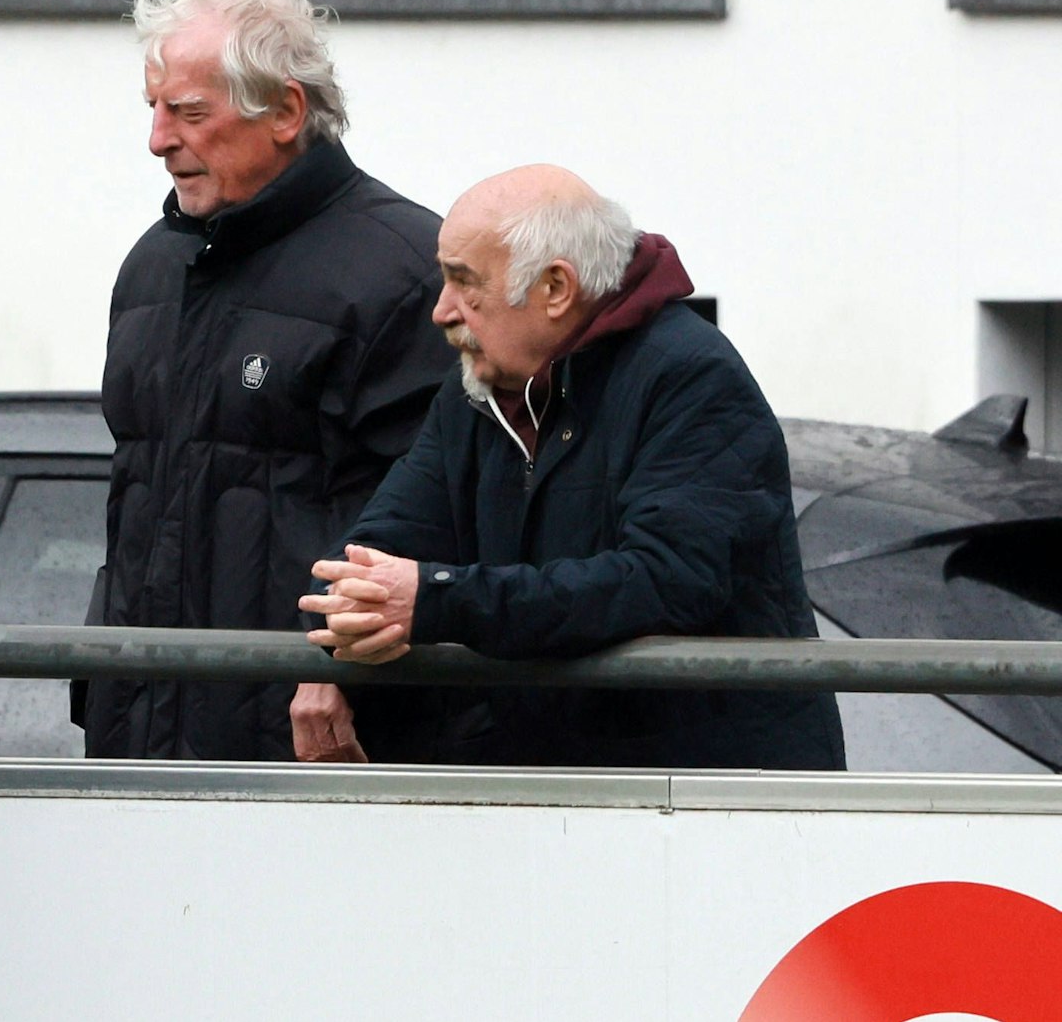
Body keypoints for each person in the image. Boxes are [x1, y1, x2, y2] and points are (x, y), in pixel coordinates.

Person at [300, 164, 846, 770]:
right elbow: (375, 551)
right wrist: (342, 629)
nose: (442, 310)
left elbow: (667, 583)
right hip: (556, 784)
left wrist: (438, 600)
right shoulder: (474, 393)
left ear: (556, 288)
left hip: (706, 793)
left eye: (464, 283)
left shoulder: (690, 376)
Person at [76, 0, 456, 762]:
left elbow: (435, 515)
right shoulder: (152, 268)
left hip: (313, 746)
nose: (156, 140)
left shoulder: (405, 273)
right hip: (138, 739)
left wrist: (341, 674)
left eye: (188, 112)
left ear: (285, 112)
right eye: (153, 108)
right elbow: (136, 509)